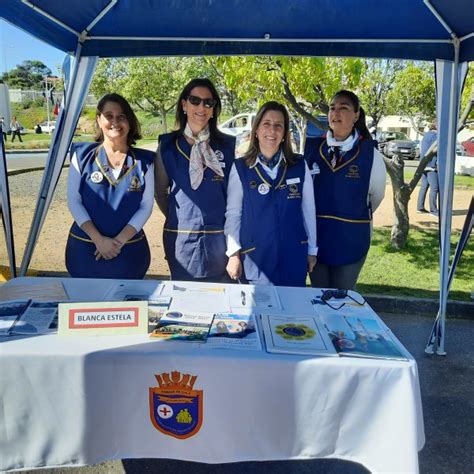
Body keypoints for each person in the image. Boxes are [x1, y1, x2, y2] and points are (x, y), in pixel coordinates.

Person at [225, 101, 317, 287]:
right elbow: (233, 214)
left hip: (294, 257)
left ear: (284, 134)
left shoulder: (299, 166)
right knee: (258, 313)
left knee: (292, 313)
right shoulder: (241, 168)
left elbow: (308, 210)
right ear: (256, 130)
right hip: (256, 258)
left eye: (278, 126)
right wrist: (233, 254)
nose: (272, 130)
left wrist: (312, 250)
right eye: (266, 124)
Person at [65, 93, 154, 279]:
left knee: (128, 304)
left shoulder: (145, 161)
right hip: (85, 250)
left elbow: (146, 206)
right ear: (99, 119)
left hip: (129, 252)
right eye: (109, 116)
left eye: (122, 116)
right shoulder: (81, 157)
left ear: (130, 122)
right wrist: (99, 240)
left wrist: (118, 242)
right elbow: (74, 201)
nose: (115, 122)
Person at [304, 90, 386, 290]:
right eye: (332, 108)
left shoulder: (370, 155)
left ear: (356, 115)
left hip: (351, 240)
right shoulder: (314, 150)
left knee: (344, 300)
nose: (336, 113)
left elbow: (376, 196)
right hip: (317, 240)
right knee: (318, 296)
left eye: (343, 108)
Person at [155, 78, 235, 281]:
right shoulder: (167, 146)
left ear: (213, 108)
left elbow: (234, 197)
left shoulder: (227, 146)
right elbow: (160, 193)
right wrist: (180, 218)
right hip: (182, 240)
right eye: (195, 100)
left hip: (220, 241)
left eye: (208, 102)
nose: (202, 107)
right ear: (184, 104)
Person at [417, 122, 439, 217]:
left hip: (423, 164)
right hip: (431, 165)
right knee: (434, 188)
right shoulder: (436, 135)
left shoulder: (426, 135)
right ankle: (433, 210)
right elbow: (437, 149)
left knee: (424, 187)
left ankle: (420, 207)